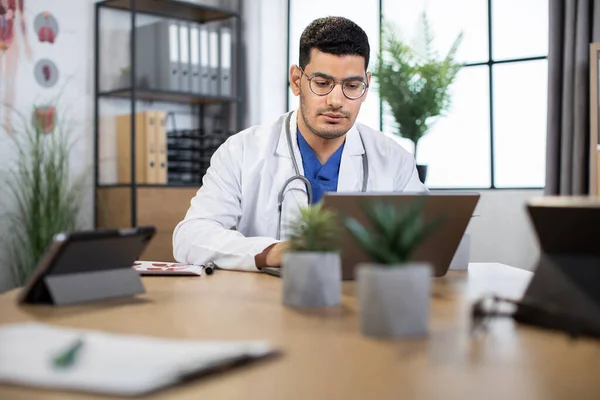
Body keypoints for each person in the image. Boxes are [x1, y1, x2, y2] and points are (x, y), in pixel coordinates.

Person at [172, 16, 427, 272]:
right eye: (322, 84)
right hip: (264, 305)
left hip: (363, 302)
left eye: (351, 86)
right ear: (297, 81)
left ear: (366, 85)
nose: (336, 100)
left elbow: (428, 241)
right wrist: (273, 252)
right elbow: (190, 236)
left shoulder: (395, 161)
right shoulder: (241, 152)